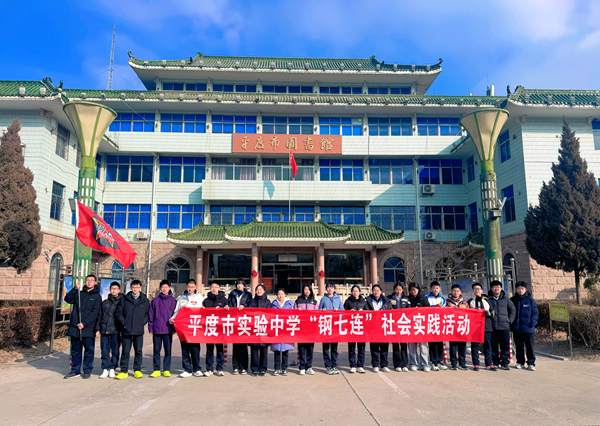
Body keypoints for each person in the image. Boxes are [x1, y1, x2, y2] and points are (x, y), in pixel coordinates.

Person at [64, 274, 101, 379]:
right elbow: (67, 299)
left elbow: (95, 312)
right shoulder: (79, 294)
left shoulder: (97, 297)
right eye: (87, 280)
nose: (89, 282)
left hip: (88, 328)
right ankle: (75, 370)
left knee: (89, 350)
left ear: (95, 283)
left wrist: (84, 323)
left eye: (91, 280)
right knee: (75, 350)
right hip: (75, 327)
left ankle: (87, 370)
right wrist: (75, 289)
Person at [115, 280, 150, 379]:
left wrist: (142, 322)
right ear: (131, 288)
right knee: (125, 351)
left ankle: (137, 370)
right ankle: (124, 370)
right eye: (133, 287)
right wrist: (124, 323)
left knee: (138, 351)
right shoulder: (124, 299)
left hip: (138, 330)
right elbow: (118, 313)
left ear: (140, 288)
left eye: (137, 287)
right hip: (126, 329)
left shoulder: (145, 300)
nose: (135, 289)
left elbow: (148, 314)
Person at [170, 279, 204, 378]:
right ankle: (187, 369)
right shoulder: (181, 298)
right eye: (189, 287)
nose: (190, 289)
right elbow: (176, 311)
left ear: (195, 287)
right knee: (185, 348)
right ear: (186, 287)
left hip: (194, 327)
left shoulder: (200, 297)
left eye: (192, 287)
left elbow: (202, 311)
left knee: (195, 349)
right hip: (183, 327)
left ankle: (196, 369)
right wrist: (172, 318)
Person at [148, 280, 177, 378]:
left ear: (169, 288)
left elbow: (175, 315)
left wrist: (174, 328)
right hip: (157, 329)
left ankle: (166, 369)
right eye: (163, 287)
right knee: (156, 351)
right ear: (160, 288)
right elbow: (151, 315)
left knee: (167, 350)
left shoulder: (173, 301)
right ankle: (156, 369)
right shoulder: (155, 300)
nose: (164, 289)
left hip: (168, 329)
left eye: (166, 287)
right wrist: (150, 328)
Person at [95, 281, 123, 379]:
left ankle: (112, 368)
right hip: (104, 329)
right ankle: (105, 368)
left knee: (115, 350)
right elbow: (100, 316)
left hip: (116, 330)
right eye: (112, 289)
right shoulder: (105, 302)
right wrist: (97, 329)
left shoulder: (122, 302)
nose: (114, 290)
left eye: (116, 289)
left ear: (119, 290)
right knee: (104, 350)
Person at [488, 280, 516, 370]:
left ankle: (504, 363)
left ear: (501, 289)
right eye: (494, 287)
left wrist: (509, 320)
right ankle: (495, 362)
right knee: (494, 346)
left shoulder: (506, 299)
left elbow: (513, 310)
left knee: (505, 345)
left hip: (504, 326)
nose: (496, 289)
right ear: (491, 289)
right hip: (492, 327)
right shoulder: (488, 300)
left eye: (498, 287)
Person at [510, 281, 539, 371]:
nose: (520, 290)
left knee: (529, 346)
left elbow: (535, 313)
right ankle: (520, 362)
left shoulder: (530, 300)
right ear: (516, 289)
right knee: (519, 346)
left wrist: (533, 322)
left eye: (522, 289)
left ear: (525, 290)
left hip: (528, 328)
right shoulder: (512, 300)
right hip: (517, 328)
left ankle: (531, 363)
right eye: (518, 288)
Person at [203, 281, 229, 377]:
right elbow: (202, 314)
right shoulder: (206, 300)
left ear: (219, 288)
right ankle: (209, 369)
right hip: (210, 328)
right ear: (210, 288)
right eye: (212, 287)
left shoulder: (224, 300)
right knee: (209, 349)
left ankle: (219, 368)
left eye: (216, 287)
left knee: (220, 349)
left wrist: (226, 308)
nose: (214, 289)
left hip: (220, 328)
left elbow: (229, 313)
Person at [467, 282, 495, 371]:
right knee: (475, 346)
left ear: (482, 290)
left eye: (478, 289)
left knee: (487, 346)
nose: (477, 291)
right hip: (475, 327)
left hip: (486, 326)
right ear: (472, 291)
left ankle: (489, 363)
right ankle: (476, 364)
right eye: (475, 289)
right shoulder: (470, 301)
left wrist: (489, 313)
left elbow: (493, 312)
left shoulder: (487, 301)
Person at [318, 282, 344, 375]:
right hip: (326, 326)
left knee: (334, 348)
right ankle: (328, 366)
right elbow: (318, 310)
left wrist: (338, 311)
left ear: (334, 289)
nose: (330, 289)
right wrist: (322, 310)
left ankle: (334, 365)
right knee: (326, 348)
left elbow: (343, 311)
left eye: (332, 287)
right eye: (328, 287)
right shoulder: (323, 299)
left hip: (335, 327)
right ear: (326, 289)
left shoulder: (338, 299)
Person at [366, 284, 392, 373]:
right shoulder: (368, 301)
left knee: (384, 347)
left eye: (377, 290)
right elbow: (365, 310)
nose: (376, 292)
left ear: (381, 291)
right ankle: (375, 365)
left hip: (384, 326)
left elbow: (391, 311)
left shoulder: (386, 301)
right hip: (373, 327)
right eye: (374, 290)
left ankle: (384, 365)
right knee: (374, 347)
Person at [228, 278, 252, 375]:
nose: (239, 285)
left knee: (243, 345)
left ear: (244, 285)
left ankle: (244, 367)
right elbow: (229, 304)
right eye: (238, 284)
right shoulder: (232, 294)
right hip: (234, 321)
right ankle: (235, 367)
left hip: (244, 322)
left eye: (241, 284)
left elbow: (250, 305)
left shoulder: (248, 295)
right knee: (235, 346)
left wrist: (244, 306)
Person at [271, 287, 295, 376]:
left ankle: (284, 368)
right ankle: (277, 368)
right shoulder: (273, 304)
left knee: (285, 351)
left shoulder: (289, 304)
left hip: (286, 329)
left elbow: (292, 315)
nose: (280, 296)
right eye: (279, 294)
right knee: (277, 350)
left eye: (282, 294)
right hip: (276, 329)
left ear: (285, 294)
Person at [344, 285, 368, 374]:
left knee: (361, 348)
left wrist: (363, 312)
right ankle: (353, 365)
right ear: (351, 292)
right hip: (351, 327)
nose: (355, 292)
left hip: (361, 327)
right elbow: (343, 312)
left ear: (360, 292)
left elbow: (368, 313)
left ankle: (360, 366)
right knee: (352, 348)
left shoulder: (363, 302)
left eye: (357, 291)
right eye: (353, 291)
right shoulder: (348, 301)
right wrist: (349, 312)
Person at [407, 282, 430, 372]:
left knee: (423, 346)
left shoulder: (423, 298)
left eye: (414, 289)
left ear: (418, 289)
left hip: (421, 325)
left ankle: (424, 364)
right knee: (412, 346)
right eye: (411, 290)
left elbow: (428, 309)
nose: (413, 291)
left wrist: (420, 310)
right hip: (410, 325)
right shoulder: (408, 298)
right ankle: (413, 363)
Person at [249, 284, 271, 376]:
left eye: (261, 289)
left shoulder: (267, 302)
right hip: (254, 328)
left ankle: (263, 368)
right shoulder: (251, 301)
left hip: (263, 328)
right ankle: (254, 368)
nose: (259, 291)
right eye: (257, 289)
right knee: (254, 349)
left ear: (264, 291)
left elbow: (269, 314)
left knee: (263, 350)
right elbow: (249, 313)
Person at [295, 283, 318, 375]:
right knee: (301, 348)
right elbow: (293, 313)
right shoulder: (298, 301)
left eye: (308, 289)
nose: (307, 291)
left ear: (311, 291)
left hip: (311, 328)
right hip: (301, 328)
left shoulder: (314, 302)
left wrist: (314, 312)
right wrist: (297, 311)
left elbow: (318, 314)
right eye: (305, 289)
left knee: (310, 348)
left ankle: (309, 366)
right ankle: (302, 367)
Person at [388, 283, 410, 372]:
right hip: (394, 324)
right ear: (394, 290)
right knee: (396, 345)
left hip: (403, 324)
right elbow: (387, 308)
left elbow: (409, 309)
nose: (398, 291)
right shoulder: (390, 298)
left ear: (402, 290)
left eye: (400, 289)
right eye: (397, 289)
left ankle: (404, 364)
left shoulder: (406, 299)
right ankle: (397, 364)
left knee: (404, 345)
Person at [426, 281, 447, 371]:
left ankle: (439, 361)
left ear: (439, 289)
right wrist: (434, 306)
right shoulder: (427, 298)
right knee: (432, 343)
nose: (435, 290)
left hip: (440, 323)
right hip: (431, 322)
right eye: (434, 288)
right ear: (431, 288)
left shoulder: (442, 298)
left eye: (437, 288)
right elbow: (425, 309)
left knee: (440, 342)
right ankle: (433, 362)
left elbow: (445, 309)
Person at [446, 284, 467, 370]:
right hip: (452, 326)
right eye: (454, 291)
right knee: (453, 346)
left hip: (462, 326)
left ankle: (462, 363)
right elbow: (444, 311)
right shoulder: (448, 302)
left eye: (457, 291)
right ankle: (454, 363)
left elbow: (469, 312)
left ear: (460, 292)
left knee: (462, 346)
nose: (456, 292)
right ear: (451, 291)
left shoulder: (464, 302)